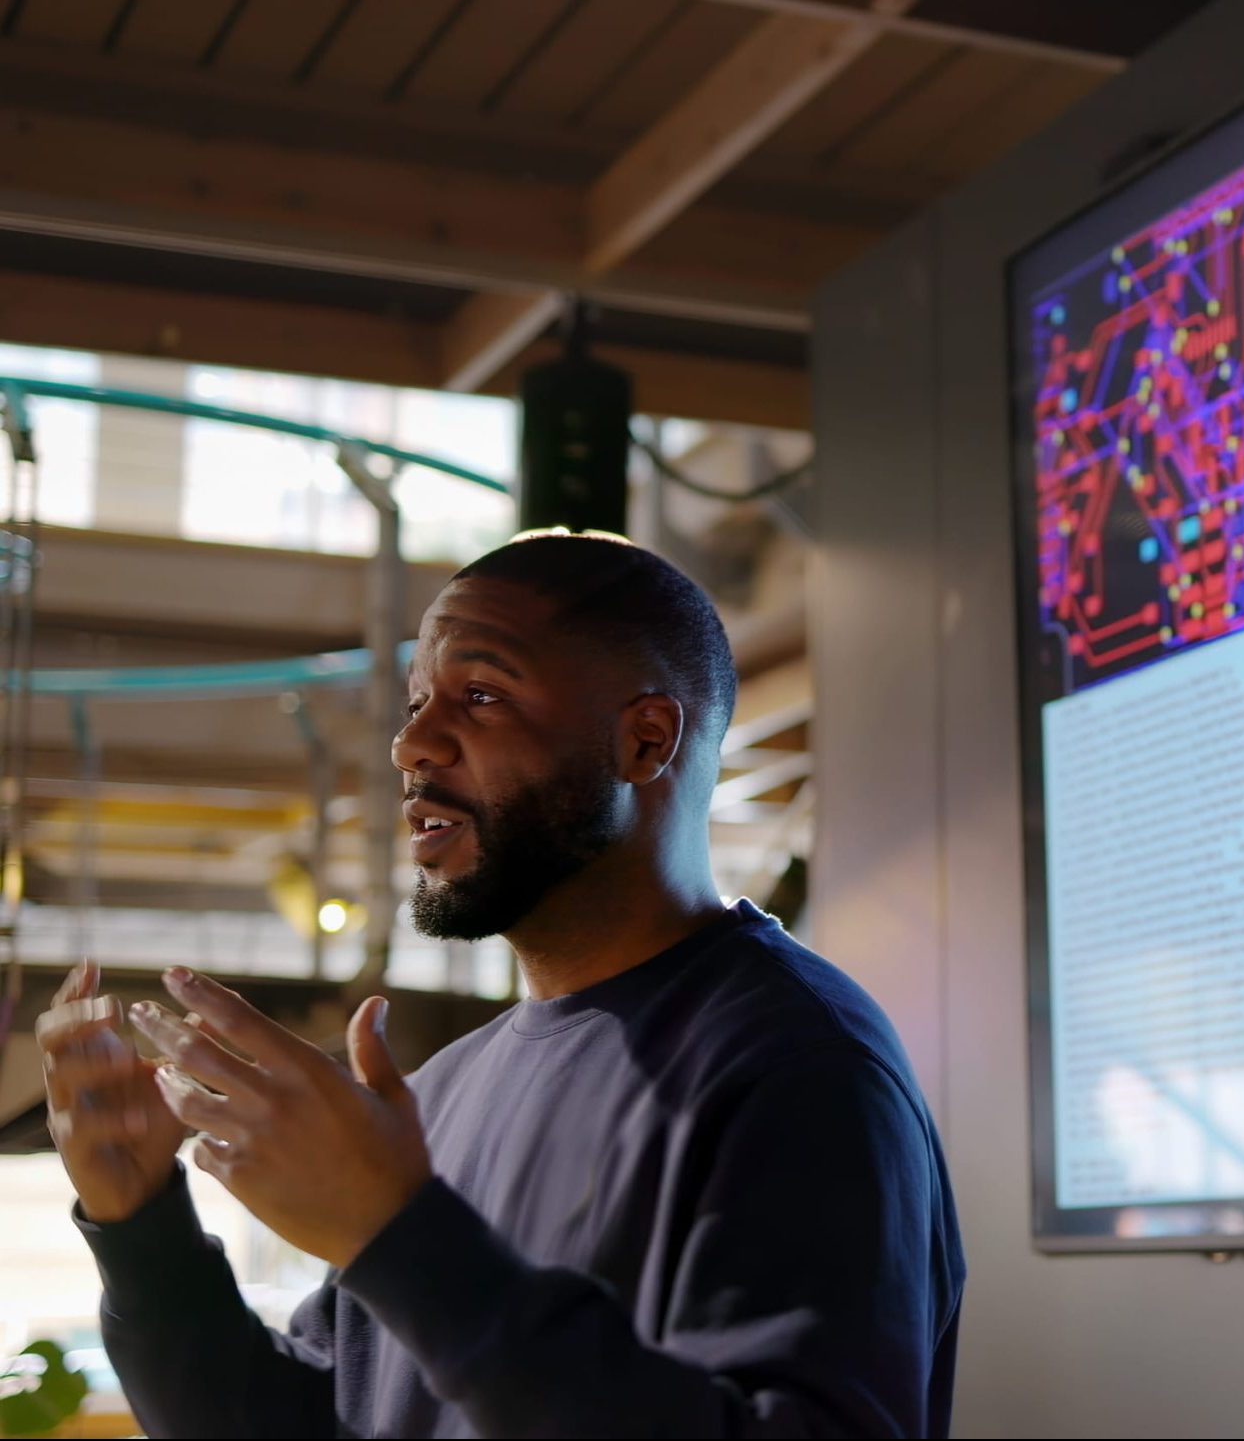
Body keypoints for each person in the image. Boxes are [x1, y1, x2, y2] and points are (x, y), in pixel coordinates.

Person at [36, 534, 964, 1439]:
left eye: (480, 697)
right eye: (415, 703)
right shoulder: (440, 1090)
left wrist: (398, 1238)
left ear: (645, 742)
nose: (411, 746)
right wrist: (143, 1226)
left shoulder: (800, 1066)